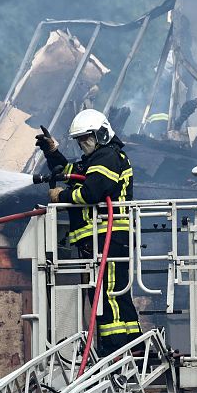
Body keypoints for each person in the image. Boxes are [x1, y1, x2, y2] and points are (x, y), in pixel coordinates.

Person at [35, 109, 141, 357]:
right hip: (102, 239)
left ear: (102, 133)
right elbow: (70, 172)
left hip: (108, 238)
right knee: (113, 293)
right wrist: (52, 152)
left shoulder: (107, 157)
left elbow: (90, 192)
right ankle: (134, 345)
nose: (83, 144)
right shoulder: (97, 159)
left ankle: (115, 350)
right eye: (79, 140)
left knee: (108, 294)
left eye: (86, 138)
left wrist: (61, 196)